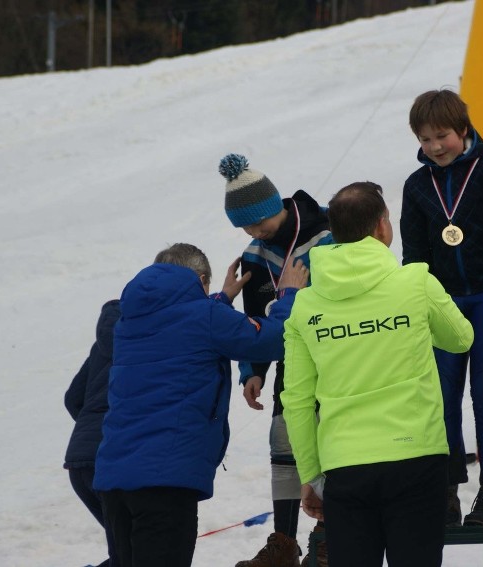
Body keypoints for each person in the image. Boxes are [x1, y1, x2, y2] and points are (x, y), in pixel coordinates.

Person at [281, 182, 474, 567]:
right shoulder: (415, 281)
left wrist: (311, 475)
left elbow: (297, 400)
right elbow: (461, 338)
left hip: (345, 464)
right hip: (416, 456)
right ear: (383, 227)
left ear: (334, 234)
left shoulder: (305, 304)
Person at [93, 243, 308, 567]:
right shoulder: (207, 317)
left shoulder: (129, 322)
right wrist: (289, 295)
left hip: (114, 480)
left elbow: (182, 329)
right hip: (164, 480)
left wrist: (222, 299)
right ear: (201, 279)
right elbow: (272, 339)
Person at [400, 88, 483, 526]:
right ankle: (447, 491)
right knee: (439, 398)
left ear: (464, 130)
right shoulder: (417, 186)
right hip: (442, 305)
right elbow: (414, 254)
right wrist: (418, 305)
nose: (435, 147)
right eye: (425, 139)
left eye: (442, 136)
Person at [217, 153, 333, 567]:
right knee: (283, 442)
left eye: (257, 222)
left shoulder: (324, 238)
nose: (253, 231)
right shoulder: (255, 252)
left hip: (334, 356)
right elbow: (253, 321)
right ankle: (283, 543)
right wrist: (252, 371)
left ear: (275, 207)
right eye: (244, 226)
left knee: (330, 443)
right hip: (291, 361)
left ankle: (328, 536)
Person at [64, 299, 121, 567]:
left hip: (79, 462)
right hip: (114, 460)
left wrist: (92, 429)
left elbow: (73, 398)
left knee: (127, 552)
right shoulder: (149, 337)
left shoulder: (101, 345)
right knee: (134, 553)